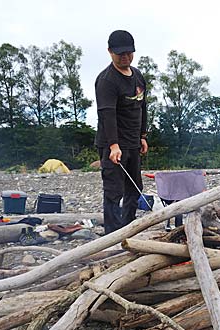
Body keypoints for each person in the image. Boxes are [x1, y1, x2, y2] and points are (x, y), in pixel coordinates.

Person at [94, 30, 148, 234]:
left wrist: (143, 136)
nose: (125, 57)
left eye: (128, 53)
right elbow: (106, 114)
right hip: (113, 144)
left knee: (134, 188)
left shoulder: (138, 76)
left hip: (133, 141)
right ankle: (111, 235)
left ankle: (128, 229)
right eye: (120, 54)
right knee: (113, 192)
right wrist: (113, 145)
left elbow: (143, 107)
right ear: (110, 52)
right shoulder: (107, 80)